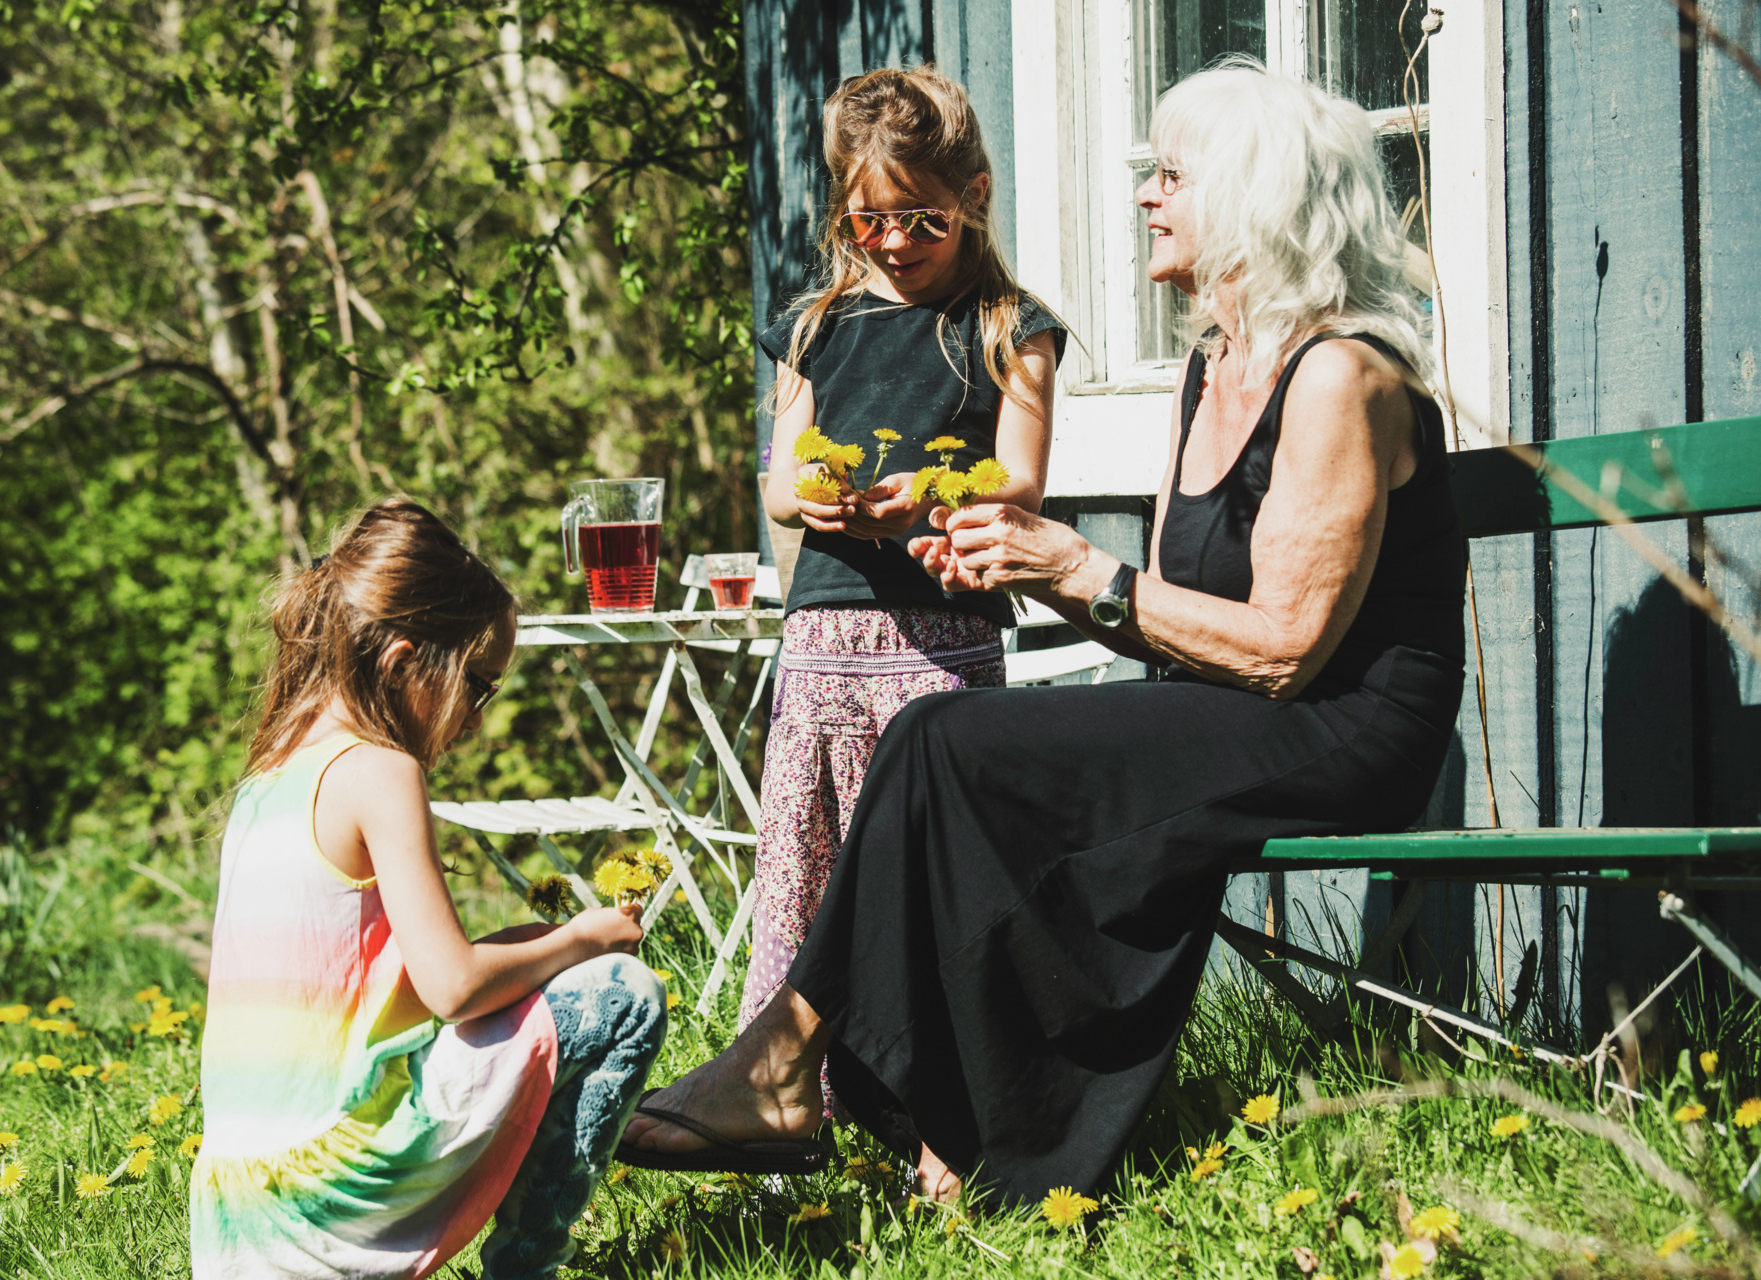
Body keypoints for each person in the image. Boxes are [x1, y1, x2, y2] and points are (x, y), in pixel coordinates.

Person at [621, 58, 1466, 1205]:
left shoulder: (1341, 377)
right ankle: (933, 1121)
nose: (1145, 195)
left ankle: (800, 1069)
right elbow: (1171, 616)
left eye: (1173, 176)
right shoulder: (1214, 367)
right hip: (1240, 706)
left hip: (1346, 728)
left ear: (1255, 198)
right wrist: (1026, 568)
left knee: (952, 742)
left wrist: (1071, 560)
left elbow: (1282, 649)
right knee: (938, 740)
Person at [190, 499, 665, 1279]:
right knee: (623, 992)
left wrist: (536, 949)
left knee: (566, 976)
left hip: (238, 1212)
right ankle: (529, 1267)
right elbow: (452, 989)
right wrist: (583, 940)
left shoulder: (273, 768)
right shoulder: (380, 769)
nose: (478, 717)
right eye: (478, 684)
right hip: (324, 1197)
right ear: (406, 660)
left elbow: (389, 979)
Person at [730, 65, 1064, 1134]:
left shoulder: (1007, 323)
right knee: (809, 863)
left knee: (937, 873)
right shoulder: (819, 324)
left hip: (943, 644)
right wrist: (823, 494)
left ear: (973, 194)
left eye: (921, 217)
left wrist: (925, 490)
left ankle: (950, 1110)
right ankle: (795, 1099)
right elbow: (780, 483)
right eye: (870, 218)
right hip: (825, 638)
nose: (895, 242)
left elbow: (1021, 475)